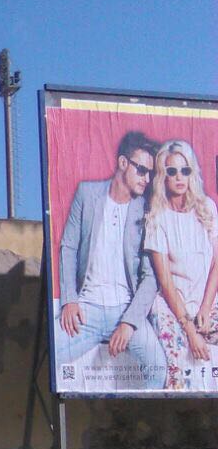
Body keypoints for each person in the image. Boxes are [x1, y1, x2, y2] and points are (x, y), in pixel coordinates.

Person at [54, 130, 166, 387]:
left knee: (158, 368)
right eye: (141, 170)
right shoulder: (87, 194)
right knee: (51, 356)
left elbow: (151, 277)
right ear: (123, 163)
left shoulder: (146, 209)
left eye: (150, 173)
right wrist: (69, 299)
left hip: (126, 308)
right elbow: (68, 247)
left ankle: (138, 415)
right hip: (86, 310)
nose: (146, 179)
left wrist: (129, 322)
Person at [143, 139, 218, 390]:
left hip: (207, 301)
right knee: (176, 366)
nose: (179, 177)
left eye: (185, 170)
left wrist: (205, 308)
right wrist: (190, 330)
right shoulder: (157, 217)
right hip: (172, 306)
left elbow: (217, 263)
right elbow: (165, 282)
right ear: (162, 176)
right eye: (172, 171)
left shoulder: (207, 207)